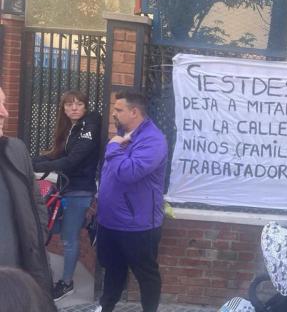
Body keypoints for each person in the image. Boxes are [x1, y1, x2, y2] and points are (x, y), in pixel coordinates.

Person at [95, 90, 168, 312]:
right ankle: (105, 307)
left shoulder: (153, 141)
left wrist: (113, 147)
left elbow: (129, 172)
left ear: (134, 112)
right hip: (110, 220)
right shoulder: (123, 134)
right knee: (113, 269)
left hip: (138, 224)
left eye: (118, 110)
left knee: (146, 274)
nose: (114, 114)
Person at [32, 90, 101, 301]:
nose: (74, 108)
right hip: (66, 189)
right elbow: (60, 155)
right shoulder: (73, 128)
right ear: (63, 108)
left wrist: (42, 165)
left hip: (79, 191)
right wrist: (30, 160)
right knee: (52, 230)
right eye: (69, 105)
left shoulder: (89, 127)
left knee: (69, 240)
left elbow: (73, 161)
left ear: (85, 106)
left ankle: (66, 283)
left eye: (79, 104)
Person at [0, 86, 53, 299]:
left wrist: (38, 237)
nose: (4, 112)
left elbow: (36, 203)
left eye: (3, 103)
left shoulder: (16, 150)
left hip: (21, 277)